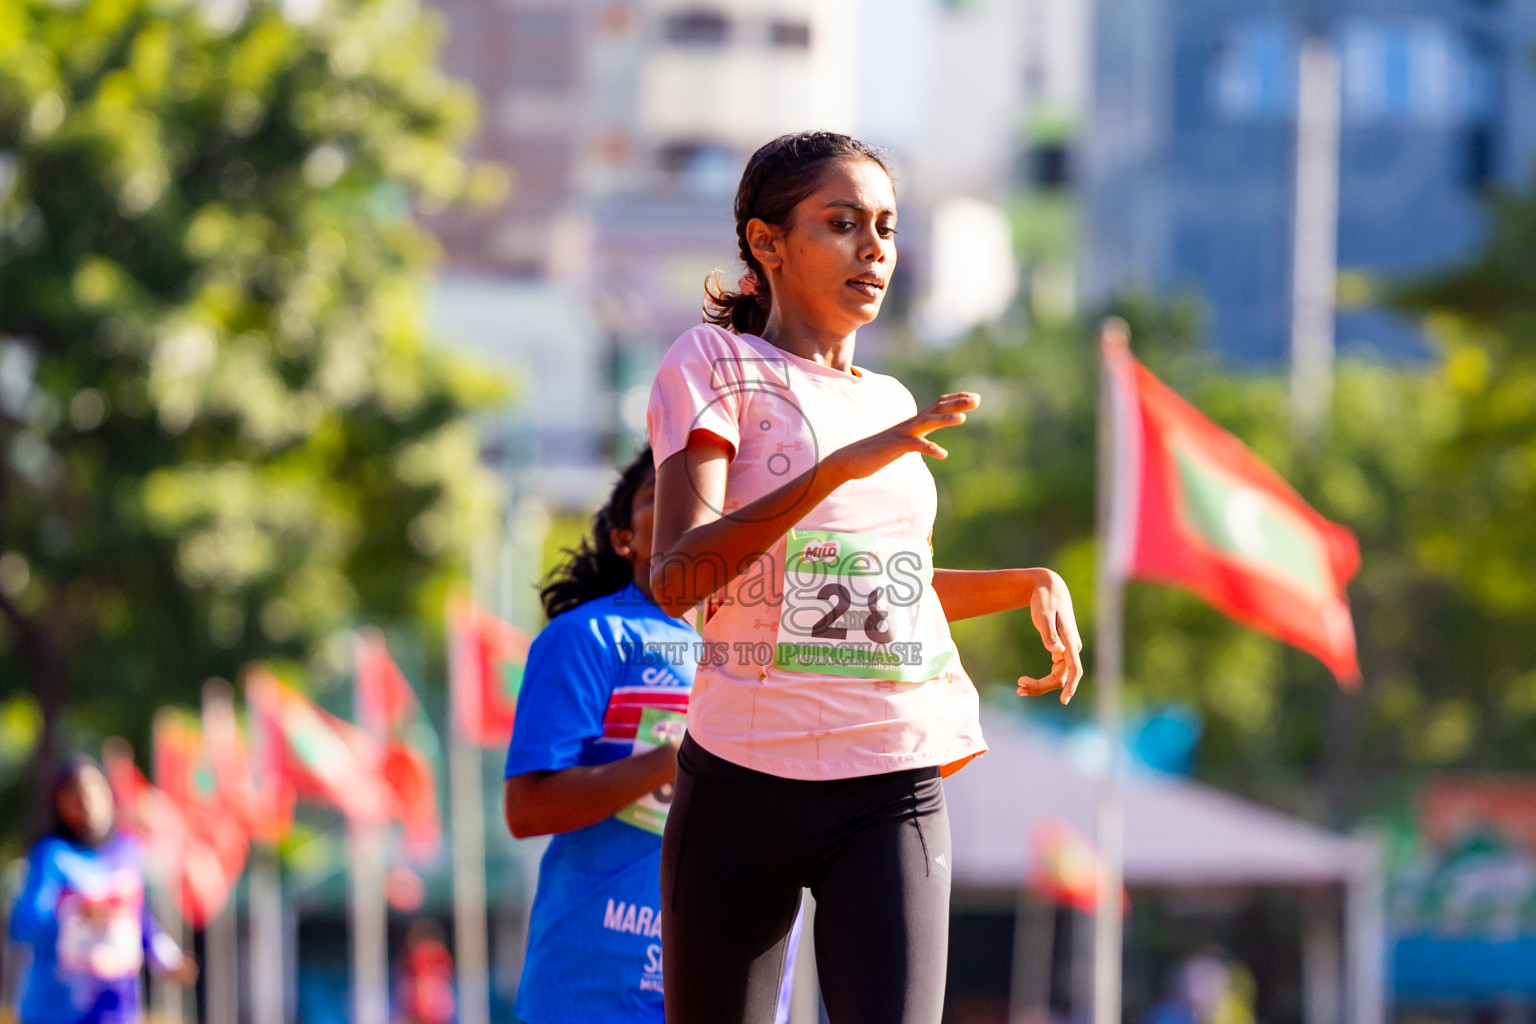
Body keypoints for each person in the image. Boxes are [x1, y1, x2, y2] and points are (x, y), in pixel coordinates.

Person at [647, 130, 1086, 1024]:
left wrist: (1024, 582)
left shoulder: (888, 401)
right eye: (842, 223)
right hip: (740, 780)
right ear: (767, 243)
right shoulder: (712, 366)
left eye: (886, 225)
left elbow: (875, 590)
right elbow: (676, 580)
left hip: (892, 780)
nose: (875, 247)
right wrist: (831, 472)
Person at [500, 448, 697, 1023]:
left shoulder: (754, 652)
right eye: (661, 496)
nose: (688, 506)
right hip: (593, 992)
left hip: (726, 978)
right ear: (623, 539)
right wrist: (677, 759)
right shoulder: (588, 637)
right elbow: (528, 808)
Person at [8, 756, 198, 1024]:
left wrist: (167, 958)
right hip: (56, 1009)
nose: (87, 802)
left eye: (95, 791)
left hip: (115, 1009)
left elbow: (137, 919)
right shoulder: (51, 855)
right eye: (75, 794)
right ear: (59, 802)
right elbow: (23, 925)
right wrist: (75, 911)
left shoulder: (127, 851)